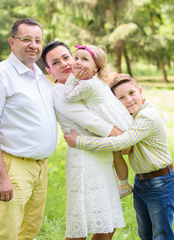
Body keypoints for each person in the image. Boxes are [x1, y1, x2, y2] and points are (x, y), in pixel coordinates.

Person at [64, 74, 174, 240]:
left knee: (162, 234)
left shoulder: (147, 117)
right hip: (141, 181)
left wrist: (80, 141)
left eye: (132, 93)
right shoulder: (130, 117)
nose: (129, 100)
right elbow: (125, 149)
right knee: (145, 233)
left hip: (160, 181)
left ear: (140, 92)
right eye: (121, 98)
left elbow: (120, 143)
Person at [0, 18, 57, 240]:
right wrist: (0, 175)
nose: (33, 45)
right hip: (13, 166)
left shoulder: (40, 77)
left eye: (38, 40)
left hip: (40, 167)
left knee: (29, 230)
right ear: (12, 42)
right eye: (26, 39)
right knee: (7, 233)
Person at [41, 41, 125, 240]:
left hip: (101, 157)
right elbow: (91, 121)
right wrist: (123, 136)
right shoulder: (59, 92)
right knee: (83, 226)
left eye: (66, 57)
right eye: (55, 62)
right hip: (84, 161)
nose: (64, 64)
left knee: (107, 224)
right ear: (49, 70)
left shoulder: (84, 85)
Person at [63, 44, 133, 198]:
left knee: (116, 153)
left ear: (96, 68)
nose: (78, 62)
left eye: (85, 59)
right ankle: (123, 184)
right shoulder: (95, 81)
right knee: (116, 155)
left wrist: (72, 76)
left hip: (114, 122)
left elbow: (67, 96)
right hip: (117, 119)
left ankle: (123, 185)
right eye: (76, 58)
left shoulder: (88, 84)